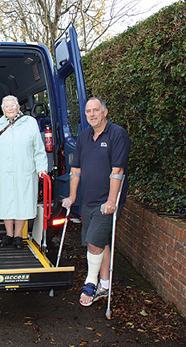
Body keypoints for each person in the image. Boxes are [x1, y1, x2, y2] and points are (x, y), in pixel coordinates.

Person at [62, 97, 130, 307]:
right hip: (88, 199)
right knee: (102, 242)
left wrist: (111, 201)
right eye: (88, 111)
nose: (92, 114)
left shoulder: (117, 134)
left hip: (105, 201)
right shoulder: (84, 136)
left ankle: (91, 282)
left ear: (105, 112)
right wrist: (73, 196)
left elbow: (117, 170)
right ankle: (105, 285)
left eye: (96, 110)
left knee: (93, 243)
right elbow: (76, 169)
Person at [0, 95, 47, 250]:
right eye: (6, 106)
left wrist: (41, 168)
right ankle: (8, 234)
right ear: (2, 109)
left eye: (12, 105)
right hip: (3, 171)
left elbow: (38, 149)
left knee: (22, 203)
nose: (10, 108)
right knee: (6, 203)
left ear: (18, 107)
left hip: (24, 170)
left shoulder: (30, 123)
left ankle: (18, 236)